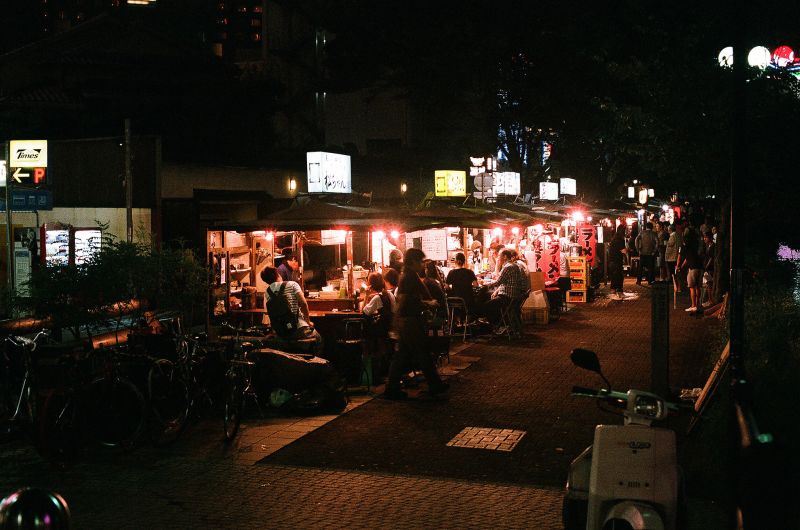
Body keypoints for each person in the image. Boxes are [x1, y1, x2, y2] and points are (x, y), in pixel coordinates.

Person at [383, 248, 449, 400]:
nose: (422, 265)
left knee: (402, 355)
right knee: (422, 353)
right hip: (409, 322)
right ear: (413, 262)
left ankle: (392, 388)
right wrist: (428, 303)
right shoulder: (408, 277)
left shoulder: (408, 275)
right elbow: (407, 300)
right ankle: (434, 385)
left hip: (406, 321)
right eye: (420, 262)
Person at [260, 266, 323, 354]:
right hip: (298, 329)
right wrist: (308, 321)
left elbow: (268, 312)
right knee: (318, 339)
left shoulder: (267, 292)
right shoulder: (292, 284)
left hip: (281, 333)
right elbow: (303, 303)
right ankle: (315, 365)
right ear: (277, 275)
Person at [362, 272, 396, 382]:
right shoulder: (389, 294)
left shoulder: (376, 298)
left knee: (367, 335)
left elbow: (364, 312)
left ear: (370, 285)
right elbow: (394, 310)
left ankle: (372, 374)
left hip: (380, 332)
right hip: (390, 328)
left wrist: (366, 295)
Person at [483, 248, 527, 328]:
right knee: (489, 297)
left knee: (487, 306)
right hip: (513, 296)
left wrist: (485, 284)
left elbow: (498, 282)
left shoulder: (508, 267)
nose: (498, 258)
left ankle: (497, 325)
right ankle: (500, 324)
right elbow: (503, 282)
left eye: (499, 255)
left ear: (505, 257)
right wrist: (496, 290)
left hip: (507, 297)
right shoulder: (513, 265)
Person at [677, 228, 702, 313]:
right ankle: (698, 305)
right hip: (699, 266)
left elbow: (680, 257)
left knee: (692, 287)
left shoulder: (684, 244)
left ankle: (693, 305)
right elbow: (687, 258)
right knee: (698, 286)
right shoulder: (695, 243)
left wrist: (678, 266)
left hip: (692, 267)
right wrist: (682, 266)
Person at [608, 225, 626, 299]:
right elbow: (623, 251)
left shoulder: (613, 239)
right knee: (619, 275)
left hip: (612, 260)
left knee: (614, 275)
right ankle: (619, 290)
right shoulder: (621, 240)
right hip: (618, 260)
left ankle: (613, 289)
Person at [665, 224, 679, 290]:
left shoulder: (672, 236)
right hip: (675, 256)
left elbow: (670, 244)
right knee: (674, 269)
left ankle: (672, 281)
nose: (668, 231)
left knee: (671, 270)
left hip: (671, 256)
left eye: (668, 229)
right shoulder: (677, 235)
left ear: (670, 230)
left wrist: (666, 243)